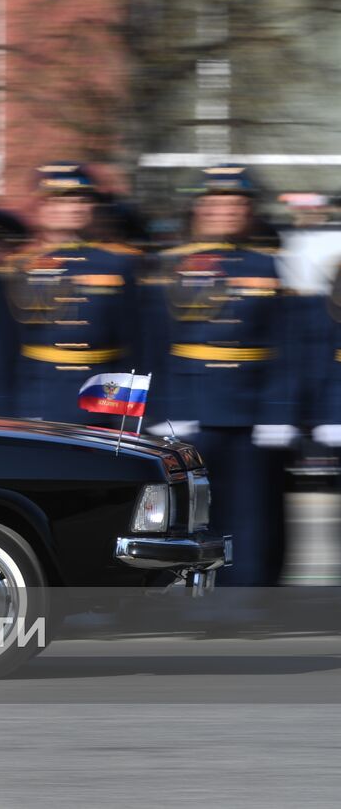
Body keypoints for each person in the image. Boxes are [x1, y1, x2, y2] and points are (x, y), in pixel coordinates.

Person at [144, 166, 298, 586]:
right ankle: (199, 602)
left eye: (236, 203)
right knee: (195, 515)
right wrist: (165, 407)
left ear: (249, 212)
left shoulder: (269, 267)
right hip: (191, 408)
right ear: (198, 209)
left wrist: (278, 411)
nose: (225, 210)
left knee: (252, 513)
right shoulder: (170, 266)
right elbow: (156, 343)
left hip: (252, 412)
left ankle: (246, 600)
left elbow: (288, 344)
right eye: (215, 202)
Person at [0, 163, 144, 422]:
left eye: (81, 200)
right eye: (59, 201)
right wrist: (10, 409)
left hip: (104, 388)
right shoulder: (18, 266)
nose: (73, 208)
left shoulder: (119, 263)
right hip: (39, 392)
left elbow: (134, 342)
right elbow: (4, 346)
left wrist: (128, 413)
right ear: (41, 208)